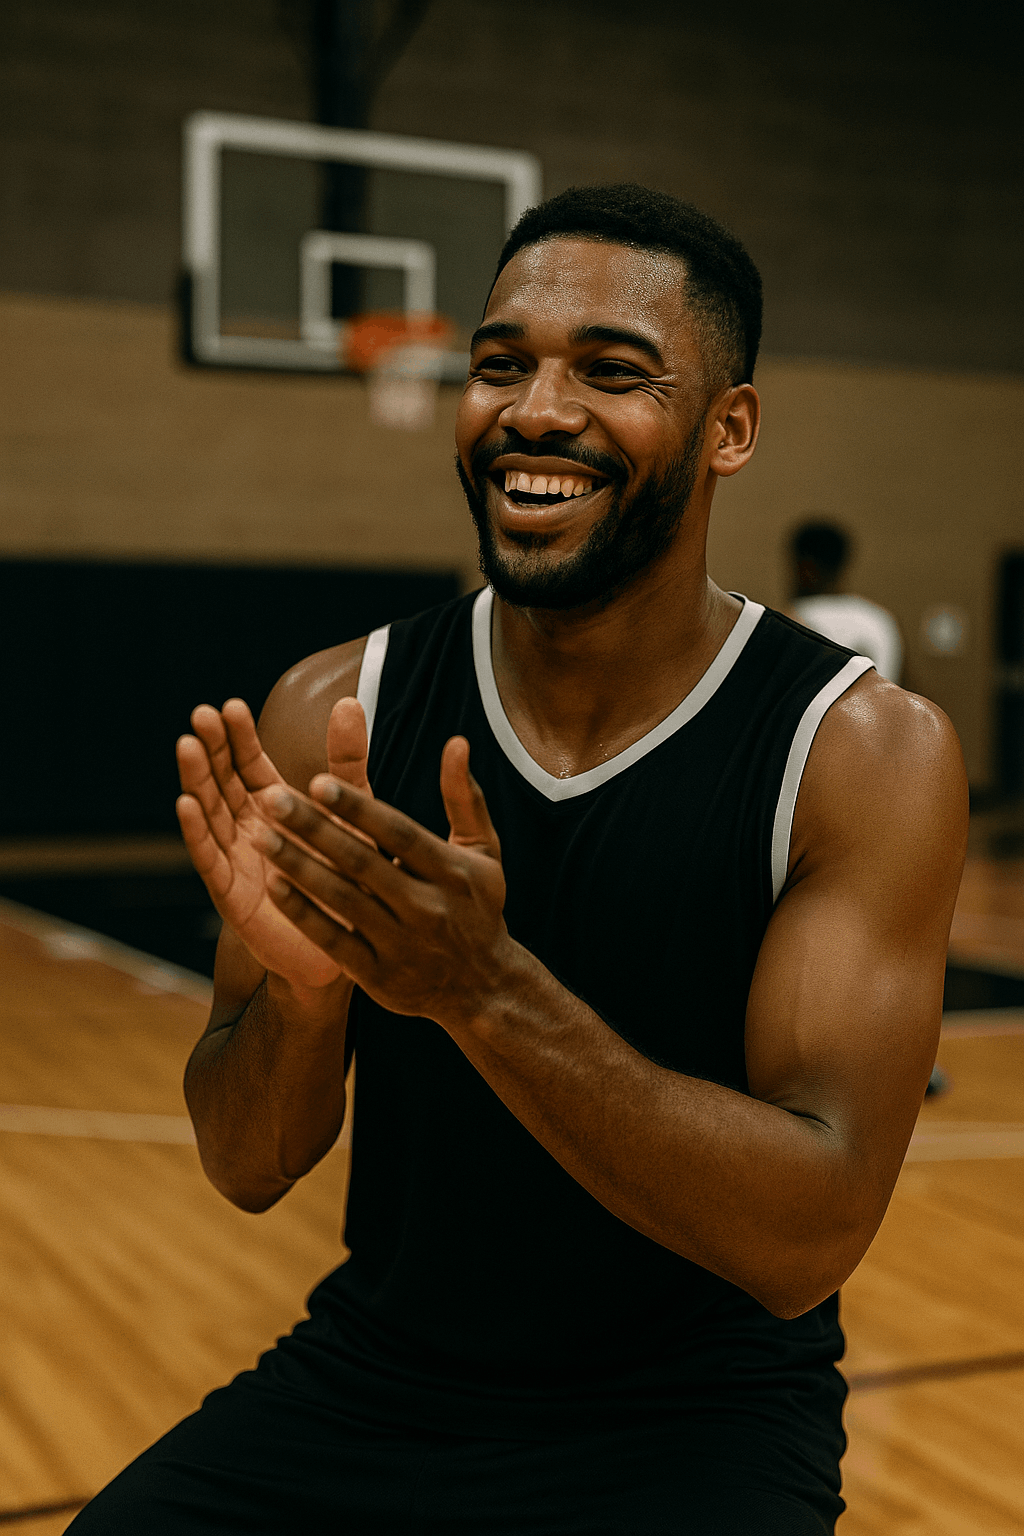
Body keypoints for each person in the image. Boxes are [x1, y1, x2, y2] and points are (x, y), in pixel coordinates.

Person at [70, 185, 967, 1535]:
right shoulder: (338, 707)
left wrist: (483, 990)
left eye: (611, 371)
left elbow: (808, 1240)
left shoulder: (860, 756)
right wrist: (307, 1000)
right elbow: (249, 1163)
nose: (535, 411)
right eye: (501, 364)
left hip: (694, 1421)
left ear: (731, 428)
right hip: (376, 1382)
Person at [788, 521, 904, 682]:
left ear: (805, 568)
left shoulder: (794, 620)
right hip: (887, 707)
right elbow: (909, 689)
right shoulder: (882, 619)